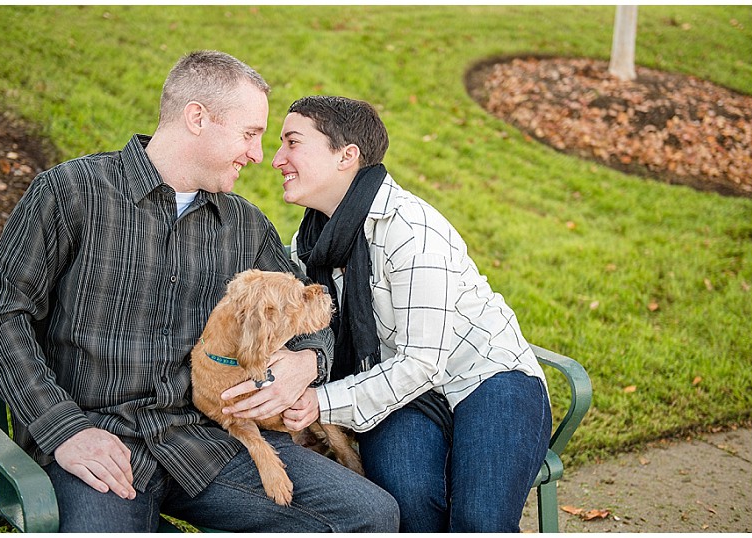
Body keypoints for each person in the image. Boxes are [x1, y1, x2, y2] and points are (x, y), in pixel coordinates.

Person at [0, 52, 398, 533]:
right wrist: (64, 431)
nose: (259, 155)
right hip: (95, 446)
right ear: (197, 118)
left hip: (205, 442)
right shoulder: (71, 193)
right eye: (250, 133)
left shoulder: (244, 225)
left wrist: (307, 360)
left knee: (371, 516)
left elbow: (308, 314)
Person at [221, 95, 552, 532]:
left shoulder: (411, 231)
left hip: (486, 378)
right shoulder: (314, 236)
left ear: (347, 156)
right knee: (408, 503)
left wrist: (320, 401)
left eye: (292, 143)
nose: (276, 158)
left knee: (478, 520)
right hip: (403, 393)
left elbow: (422, 362)